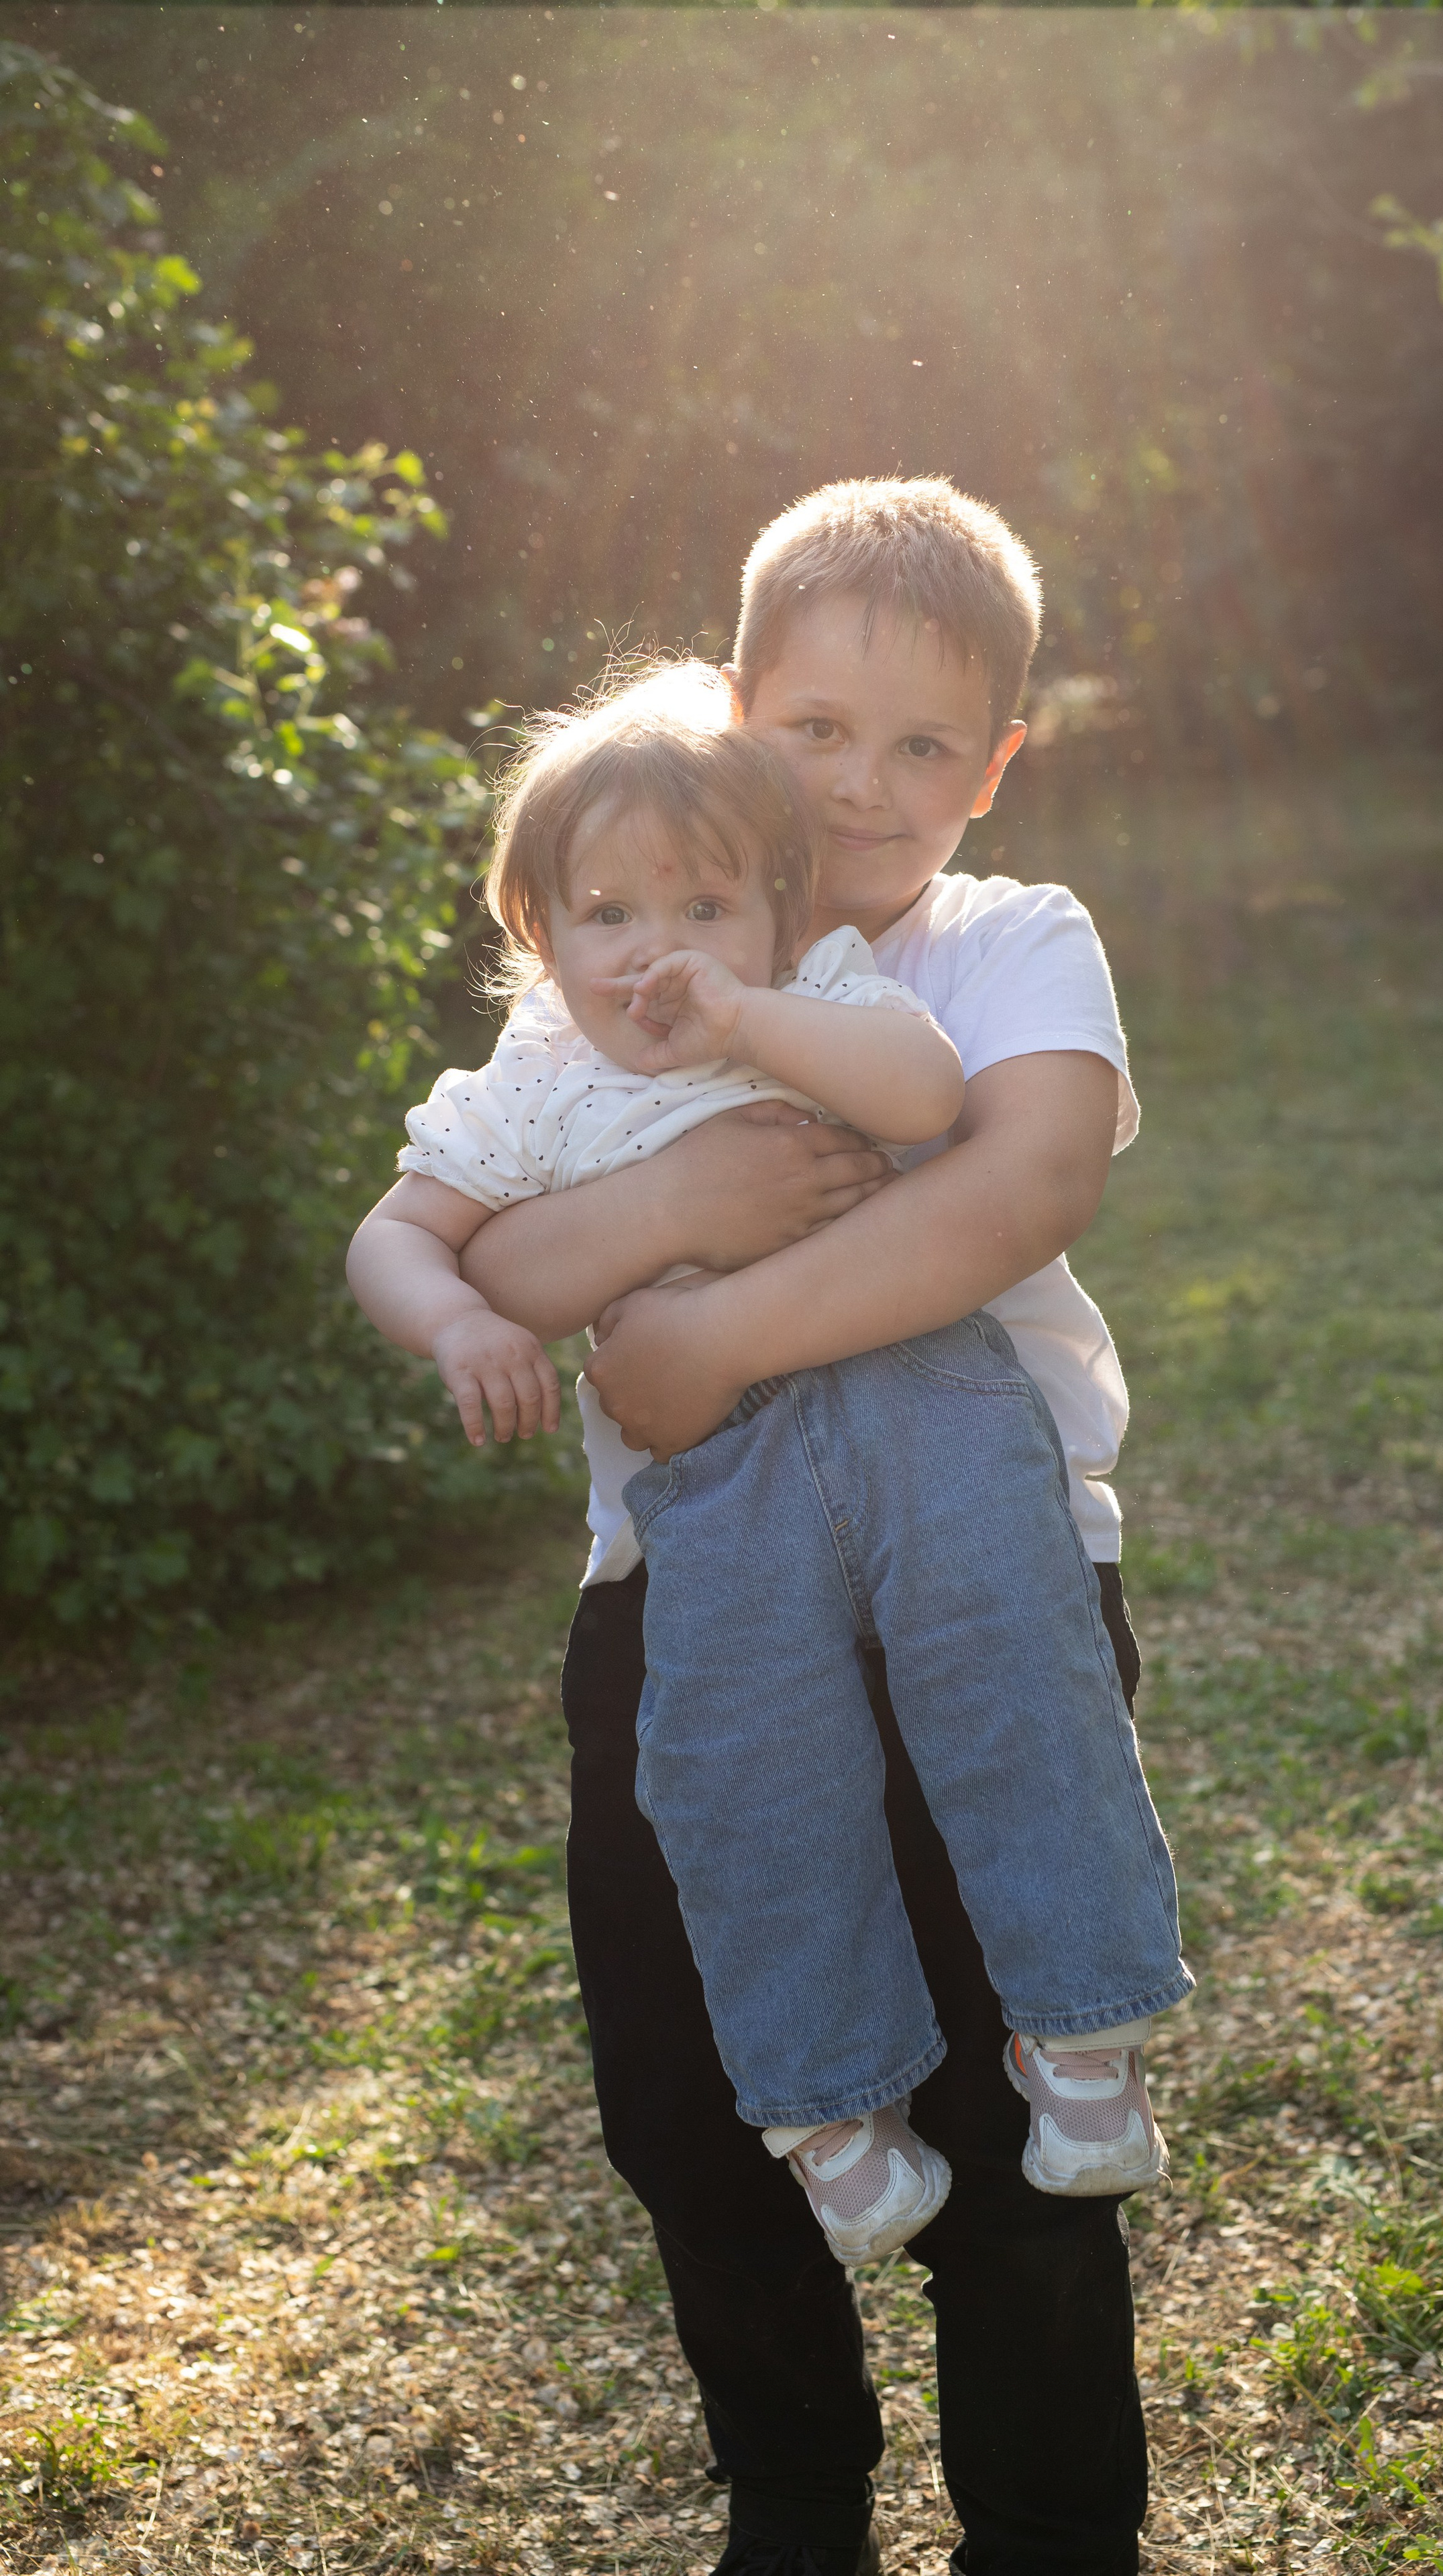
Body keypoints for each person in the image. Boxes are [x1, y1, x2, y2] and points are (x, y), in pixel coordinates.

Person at [455, 479, 1173, 2576]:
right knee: (693, 2114)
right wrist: (677, 1203)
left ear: (996, 764)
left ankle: (1051, 2530)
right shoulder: (632, 956)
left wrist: (705, 1336)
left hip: (985, 1583)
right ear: (733, 701)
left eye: (923, 744)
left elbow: (1015, 1187)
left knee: (1009, 2126)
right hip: (678, 1596)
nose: (863, 785)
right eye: (818, 729)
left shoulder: (1011, 939)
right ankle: (793, 2504)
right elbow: (491, 1246)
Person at [347, 667, 1191, 2288]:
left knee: (1015, 1685)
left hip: (926, 1406)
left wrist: (749, 1015)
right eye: (607, 913)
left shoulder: (815, 987)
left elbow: (927, 1097)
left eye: (704, 907)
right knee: (749, 1773)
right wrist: (458, 1323)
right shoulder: (533, 1081)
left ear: (775, 908)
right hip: (720, 1472)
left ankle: (1081, 2028)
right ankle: (828, 2107)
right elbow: (399, 1235)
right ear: (535, 929)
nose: (655, 948)